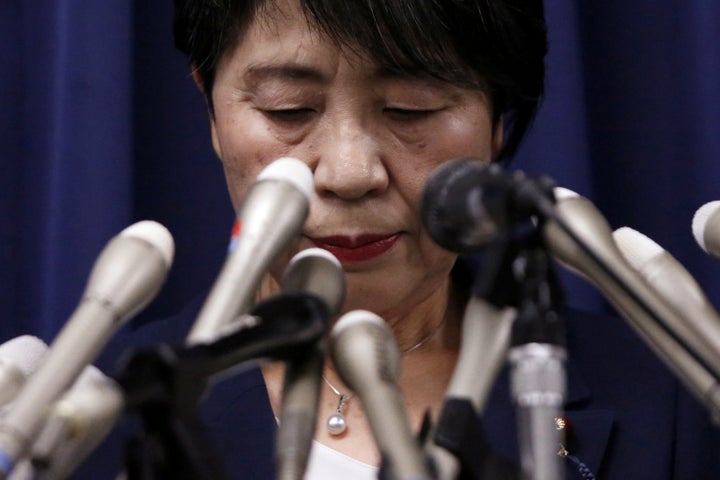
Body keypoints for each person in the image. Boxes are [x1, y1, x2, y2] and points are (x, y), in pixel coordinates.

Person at [76, 0, 720, 478]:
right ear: (212, 110)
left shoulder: (668, 401)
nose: (351, 172)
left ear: (498, 124)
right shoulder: (91, 415)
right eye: (288, 110)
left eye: (412, 109)